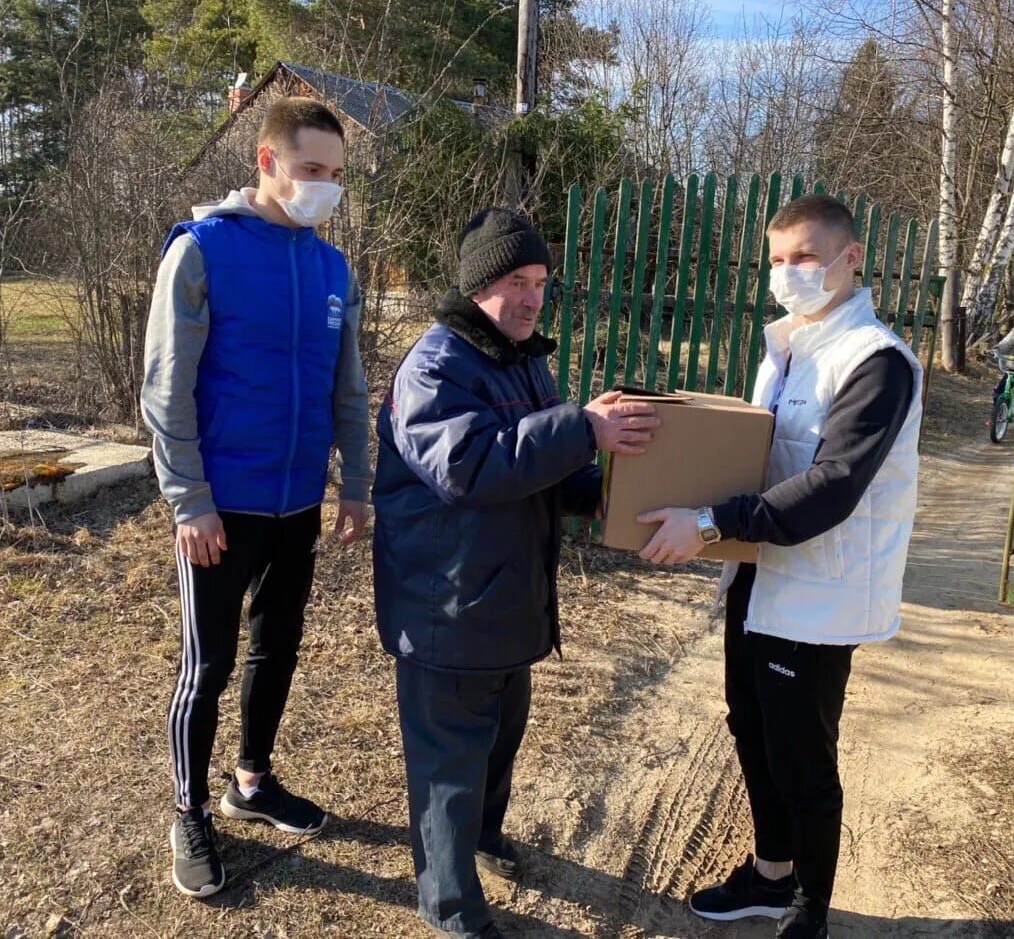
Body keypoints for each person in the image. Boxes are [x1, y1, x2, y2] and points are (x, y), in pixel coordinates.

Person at [634, 195, 922, 939]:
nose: (789, 272)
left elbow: (830, 487)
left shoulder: (875, 361)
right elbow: (758, 456)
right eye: (779, 258)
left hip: (819, 590)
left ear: (850, 258)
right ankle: (771, 874)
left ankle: (810, 909)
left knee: (803, 754)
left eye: (806, 257)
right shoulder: (790, 346)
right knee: (751, 726)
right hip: (758, 574)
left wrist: (708, 524)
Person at [372, 208, 660, 939]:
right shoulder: (434, 366)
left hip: (502, 600)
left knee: (499, 739)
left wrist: (604, 494)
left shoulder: (521, 358)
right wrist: (580, 429)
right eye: (514, 282)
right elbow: (469, 466)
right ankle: (451, 909)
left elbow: (538, 467)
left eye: (540, 283)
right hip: (448, 607)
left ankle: (484, 840)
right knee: (449, 769)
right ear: (475, 289)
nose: (532, 298)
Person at [141, 96, 372, 899]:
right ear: (267, 163)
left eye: (337, 177)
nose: (325, 190)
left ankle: (251, 781)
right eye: (313, 171)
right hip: (221, 506)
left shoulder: (331, 266)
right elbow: (166, 389)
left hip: (297, 503)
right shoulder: (203, 249)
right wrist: (189, 500)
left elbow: (348, 388)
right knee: (207, 665)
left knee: (278, 648)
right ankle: (189, 809)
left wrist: (357, 486)